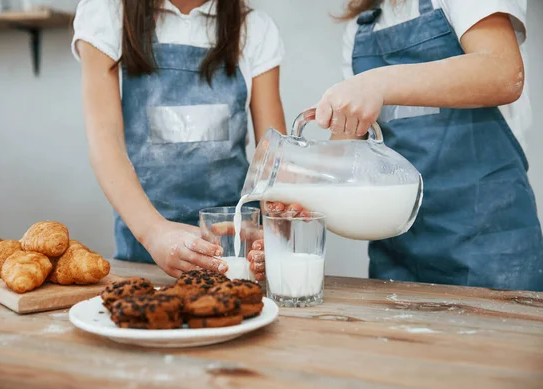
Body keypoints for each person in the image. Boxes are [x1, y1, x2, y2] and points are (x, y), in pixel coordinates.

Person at [251, 0, 543, 291]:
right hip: (399, 252)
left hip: (489, 248)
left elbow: (503, 72)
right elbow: (347, 149)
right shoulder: (362, 27)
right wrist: (303, 186)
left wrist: (378, 83)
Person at [71, 0, 286, 278]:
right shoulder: (108, 13)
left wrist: (275, 235)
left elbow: (273, 162)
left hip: (233, 260)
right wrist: (153, 232)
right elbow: (105, 144)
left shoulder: (255, 28)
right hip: (144, 258)